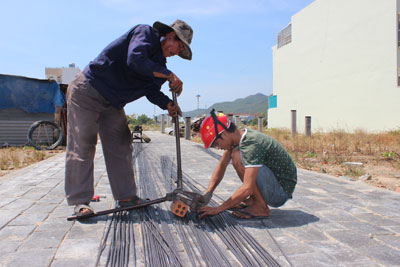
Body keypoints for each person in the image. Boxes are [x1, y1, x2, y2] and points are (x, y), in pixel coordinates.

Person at [65, 19, 193, 216]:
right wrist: (169, 75)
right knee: (83, 143)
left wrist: (168, 104)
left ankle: (126, 197)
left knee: (122, 143)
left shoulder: (159, 64)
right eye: (179, 46)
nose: (177, 52)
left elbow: (151, 90)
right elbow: (136, 60)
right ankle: (80, 201)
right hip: (88, 91)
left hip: (113, 102)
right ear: (170, 35)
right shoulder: (145, 34)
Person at [197, 110, 297, 219]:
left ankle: (261, 207)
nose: (219, 148)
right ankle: (255, 200)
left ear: (224, 134)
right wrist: (209, 192)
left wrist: (218, 209)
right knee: (236, 153)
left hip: (280, 193)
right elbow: (222, 166)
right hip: (274, 185)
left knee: (238, 157)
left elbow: (247, 188)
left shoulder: (251, 144)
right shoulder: (237, 140)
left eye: (216, 144)